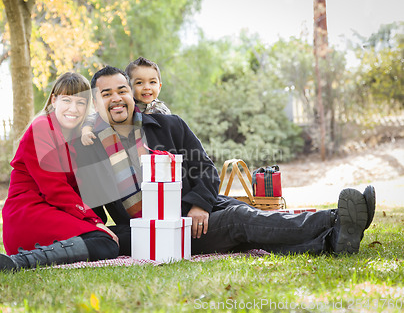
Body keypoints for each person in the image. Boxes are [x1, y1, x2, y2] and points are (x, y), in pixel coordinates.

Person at [73, 66, 376, 256]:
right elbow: (90, 210)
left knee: (244, 215)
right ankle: (336, 219)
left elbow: (204, 167)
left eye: (122, 89)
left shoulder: (168, 125)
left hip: (200, 205)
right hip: (162, 232)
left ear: (131, 93)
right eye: (106, 93)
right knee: (239, 222)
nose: (116, 97)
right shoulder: (91, 149)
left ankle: (334, 239)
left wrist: (199, 205)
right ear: (96, 102)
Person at [0, 72, 119, 271]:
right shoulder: (41, 127)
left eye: (80, 103)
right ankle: (20, 261)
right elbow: (55, 189)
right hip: (30, 215)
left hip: (56, 211)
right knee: (105, 242)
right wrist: (93, 220)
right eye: (66, 100)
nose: (73, 108)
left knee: (120, 235)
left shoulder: (74, 137)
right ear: (53, 100)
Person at [80, 57, 170, 146]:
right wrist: (86, 131)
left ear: (159, 86)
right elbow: (91, 118)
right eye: (139, 83)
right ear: (130, 87)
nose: (147, 87)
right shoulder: (127, 107)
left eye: (152, 82)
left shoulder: (162, 109)